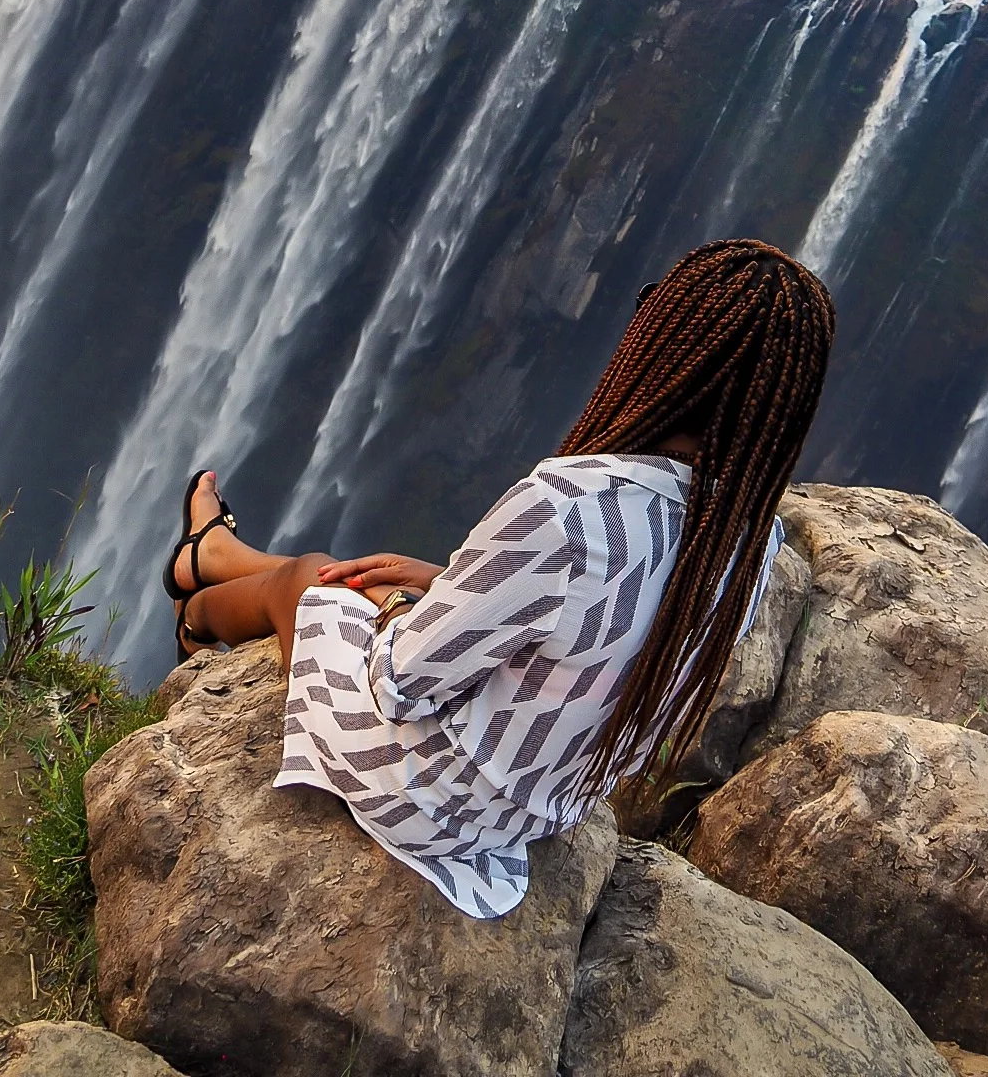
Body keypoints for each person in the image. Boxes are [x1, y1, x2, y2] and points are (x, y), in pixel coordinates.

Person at [161, 237, 834, 919]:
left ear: (664, 352)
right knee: (354, 575)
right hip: (536, 814)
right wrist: (450, 582)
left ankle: (194, 618)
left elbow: (401, 682)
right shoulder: (747, 547)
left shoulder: (569, 508)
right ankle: (210, 554)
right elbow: (588, 645)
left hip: (425, 796)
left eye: (648, 306)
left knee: (309, 579)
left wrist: (402, 602)